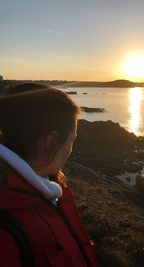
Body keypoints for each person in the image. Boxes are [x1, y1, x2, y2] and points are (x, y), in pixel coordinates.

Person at [0, 83, 99, 267]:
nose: (71, 149)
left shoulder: (48, 187)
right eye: (72, 140)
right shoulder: (6, 235)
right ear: (51, 141)